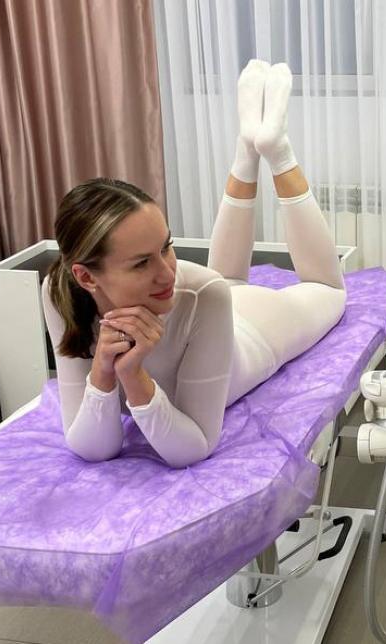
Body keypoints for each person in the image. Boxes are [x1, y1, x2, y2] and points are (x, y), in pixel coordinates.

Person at [41, 60, 346, 468]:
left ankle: (275, 149)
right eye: (141, 263)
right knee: (226, 281)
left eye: (167, 247)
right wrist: (106, 371)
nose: (168, 272)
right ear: (85, 276)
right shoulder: (60, 291)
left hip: (252, 332)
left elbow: (193, 446)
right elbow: (94, 448)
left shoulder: (202, 291)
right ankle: (248, 144)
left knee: (328, 290)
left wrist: (135, 377)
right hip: (207, 317)